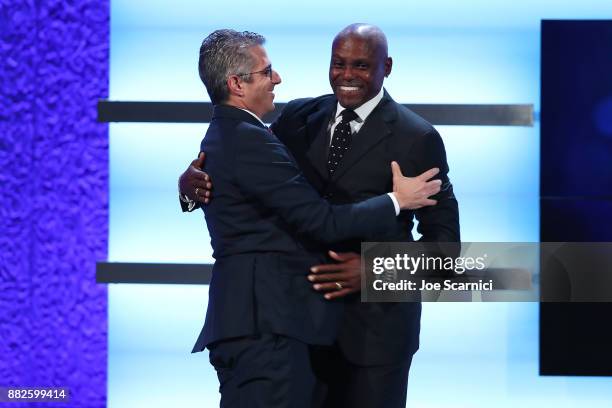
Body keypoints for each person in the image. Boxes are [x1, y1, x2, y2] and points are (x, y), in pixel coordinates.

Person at [187, 29, 443, 408]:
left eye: (360, 65)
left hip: (374, 339)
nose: (347, 74)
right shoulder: (297, 118)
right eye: (338, 64)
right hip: (294, 332)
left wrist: (374, 271)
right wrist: (188, 182)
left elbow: (446, 252)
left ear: (386, 67)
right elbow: (239, 161)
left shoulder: (417, 138)